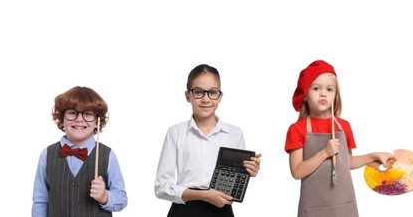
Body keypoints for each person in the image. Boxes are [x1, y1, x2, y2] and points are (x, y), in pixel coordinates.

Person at [282, 60, 394, 217]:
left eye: (329, 89)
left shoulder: (344, 126)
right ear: (305, 95)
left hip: (344, 206)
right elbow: (297, 172)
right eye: (316, 88)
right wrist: (325, 153)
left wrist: (374, 156)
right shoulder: (297, 129)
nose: (323, 94)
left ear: (335, 95)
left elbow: (347, 162)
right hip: (313, 209)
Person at [154, 64, 262, 217]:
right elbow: (162, 187)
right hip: (184, 211)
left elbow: (235, 182)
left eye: (212, 92)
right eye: (198, 92)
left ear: (220, 96)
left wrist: (249, 171)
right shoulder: (175, 132)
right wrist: (203, 195)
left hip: (221, 210)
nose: (206, 99)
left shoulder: (235, 134)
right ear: (187, 95)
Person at [33, 86, 129, 217]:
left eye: (87, 113)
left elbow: (122, 199)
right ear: (62, 118)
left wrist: (105, 196)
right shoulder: (47, 155)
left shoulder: (108, 155)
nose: (79, 119)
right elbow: (40, 201)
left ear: (97, 121)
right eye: (72, 112)